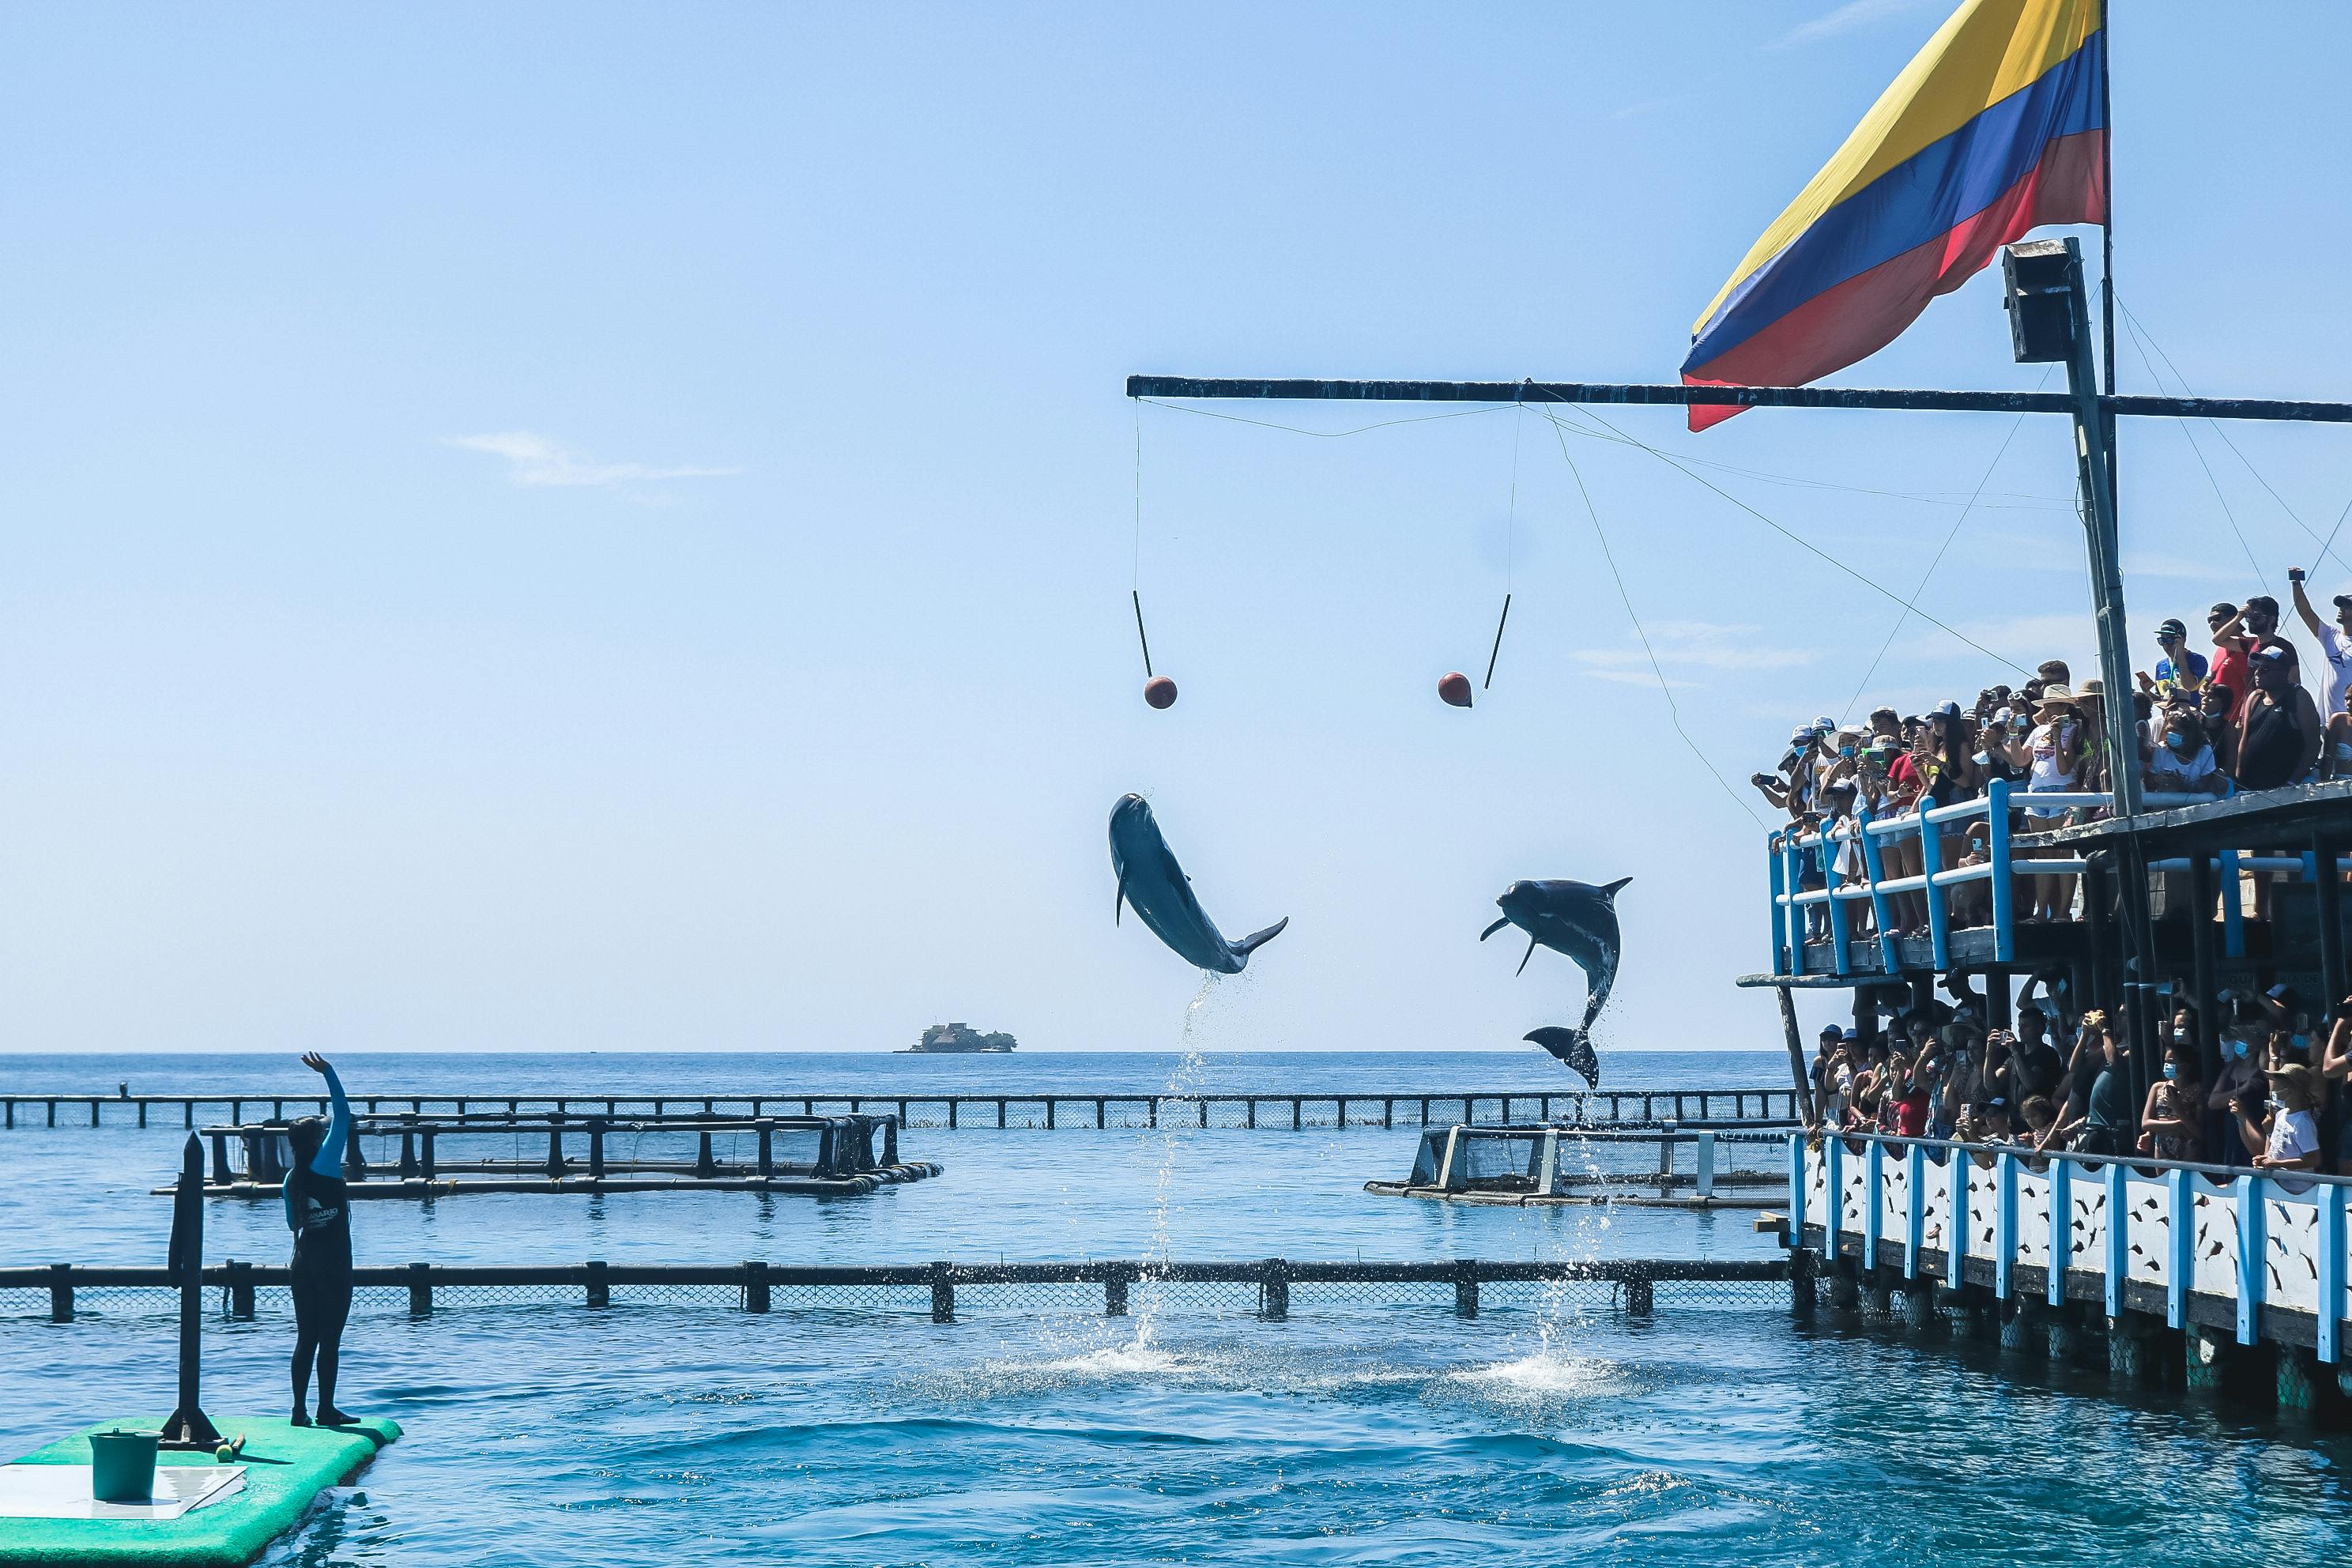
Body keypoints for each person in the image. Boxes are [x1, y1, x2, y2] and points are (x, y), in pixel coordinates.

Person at [285, 1052, 357, 1427]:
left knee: (305, 1338)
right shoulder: (326, 1162)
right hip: (333, 1263)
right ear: (316, 1140)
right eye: (320, 1129)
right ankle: (326, 1409)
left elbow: (290, 1223)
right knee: (329, 1339)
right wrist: (328, 1072)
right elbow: (343, 1115)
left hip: (302, 1262)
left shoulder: (290, 1179)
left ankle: (298, 1412)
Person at [2236, 645, 2322, 789]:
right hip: (2250, 785)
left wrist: (2292, 782)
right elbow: (2244, 741)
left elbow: (2313, 745)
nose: (2258, 673)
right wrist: (2238, 778)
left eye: (2266, 669)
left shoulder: (2298, 696)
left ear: (2283, 672)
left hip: (2284, 787)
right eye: (2257, 668)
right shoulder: (2254, 697)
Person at [2289, 570, 2352, 725]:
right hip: (2327, 723)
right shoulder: (2330, 635)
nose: (2341, 609)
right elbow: (2306, 612)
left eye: (2348, 606)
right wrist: (2296, 583)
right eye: (2340, 605)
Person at [2137, 1043, 2204, 1162]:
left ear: (2186, 1066)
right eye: (2166, 1062)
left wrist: (2179, 1110)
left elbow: (2200, 1132)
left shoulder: (2197, 1090)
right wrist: (2176, 1124)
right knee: (2162, 1179)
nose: (2168, 1066)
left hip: (2188, 1145)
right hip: (2162, 1144)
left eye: (2172, 1062)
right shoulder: (2158, 1088)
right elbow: (2145, 1123)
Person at [2139, 617, 2207, 699]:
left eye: (2170, 640)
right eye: (2162, 640)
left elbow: (2189, 686)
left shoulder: (2197, 660)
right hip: (2171, 712)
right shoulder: (2160, 666)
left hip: (2193, 711)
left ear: (2182, 639)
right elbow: (2162, 700)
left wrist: (2180, 656)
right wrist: (2147, 693)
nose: (2166, 645)